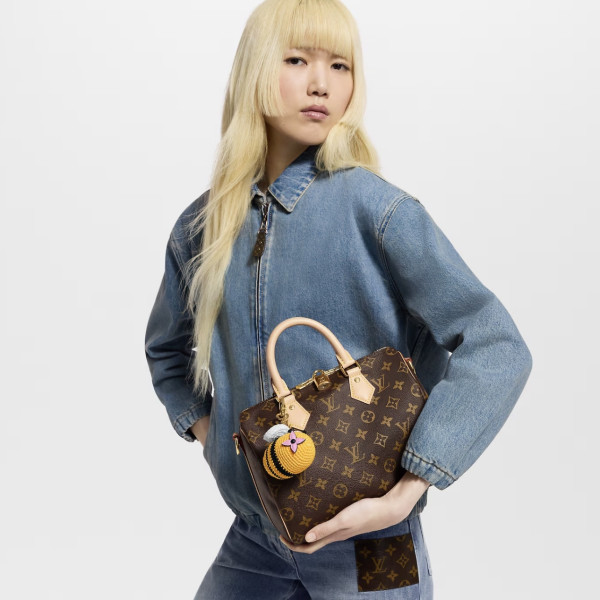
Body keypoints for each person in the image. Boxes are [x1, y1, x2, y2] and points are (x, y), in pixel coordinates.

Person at [144, 0, 532, 597]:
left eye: (341, 65)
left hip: (377, 543)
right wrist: (216, 437)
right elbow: (167, 352)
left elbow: (497, 344)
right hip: (255, 538)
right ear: (253, 70)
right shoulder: (202, 227)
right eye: (297, 60)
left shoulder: (378, 211)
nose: (321, 84)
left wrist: (407, 490)